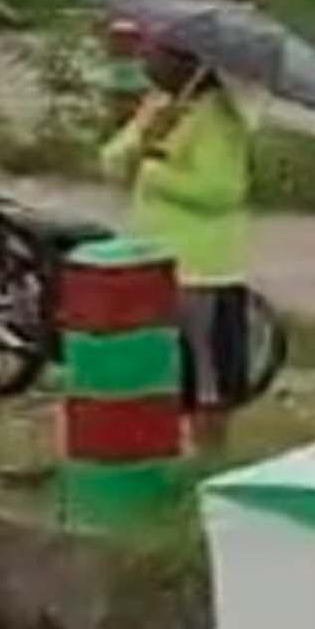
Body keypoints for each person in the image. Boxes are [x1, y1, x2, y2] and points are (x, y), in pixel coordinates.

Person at [101, 43, 254, 455]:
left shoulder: (219, 119)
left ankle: (210, 457)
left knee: (208, 374)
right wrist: (142, 140)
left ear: (192, 66)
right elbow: (111, 161)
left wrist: (154, 171)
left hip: (203, 267)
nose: (149, 61)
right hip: (150, 256)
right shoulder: (160, 106)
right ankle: (168, 450)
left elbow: (222, 191)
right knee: (163, 366)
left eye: (164, 54)